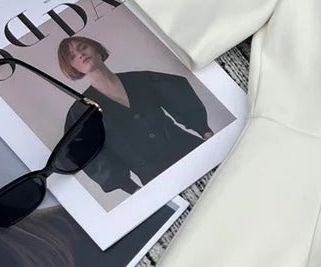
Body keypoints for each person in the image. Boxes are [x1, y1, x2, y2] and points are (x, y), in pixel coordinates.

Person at [58, 35, 215, 196]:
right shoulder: (81, 111)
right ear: (72, 67)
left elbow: (177, 92)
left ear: (96, 48)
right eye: (72, 56)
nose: (80, 54)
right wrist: (129, 187)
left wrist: (205, 130)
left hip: (191, 148)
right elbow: (82, 151)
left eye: (83, 47)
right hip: (155, 176)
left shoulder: (140, 79)